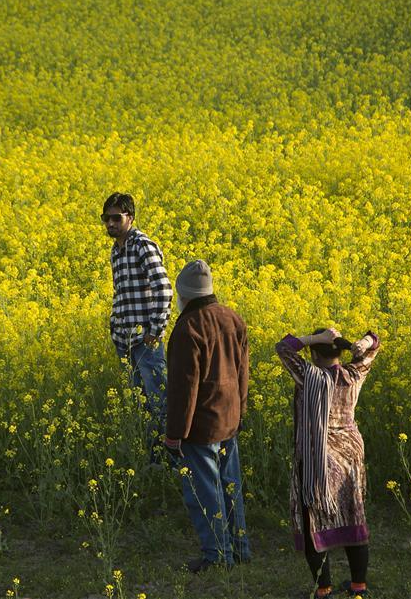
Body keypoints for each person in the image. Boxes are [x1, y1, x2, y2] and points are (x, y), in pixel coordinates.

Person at [275, 327, 380, 598]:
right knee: (353, 512)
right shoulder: (353, 373)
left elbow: (283, 348)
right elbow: (374, 343)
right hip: (350, 454)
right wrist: (363, 342)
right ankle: (359, 586)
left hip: (317, 457)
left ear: (313, 353)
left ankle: (323, 589)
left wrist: (314, 339)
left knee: (313, 519)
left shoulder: (308, 376)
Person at [163, 260, 251, 573]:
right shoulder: (232, 318)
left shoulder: (189, 328)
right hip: (229, 419)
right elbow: (243, 373)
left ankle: (217, 555)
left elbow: (183, 389)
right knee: (230, 486)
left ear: (183, 295)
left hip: (200, 426)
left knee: (205, 492)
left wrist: (175, 434)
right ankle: (240, 549)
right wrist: (240, 412)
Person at [103, 192, 172, 462]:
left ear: (130, 217)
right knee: (141, 405)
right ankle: (152, 460)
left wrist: (155, 331)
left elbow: (164, 288)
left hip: (146, 343)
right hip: (125, 342)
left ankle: (170, 460)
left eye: (116, 218)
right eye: (106, 218)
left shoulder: (142, 245)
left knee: (159, 402)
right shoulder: (116, 251)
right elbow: (121, 294)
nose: (110, 223)